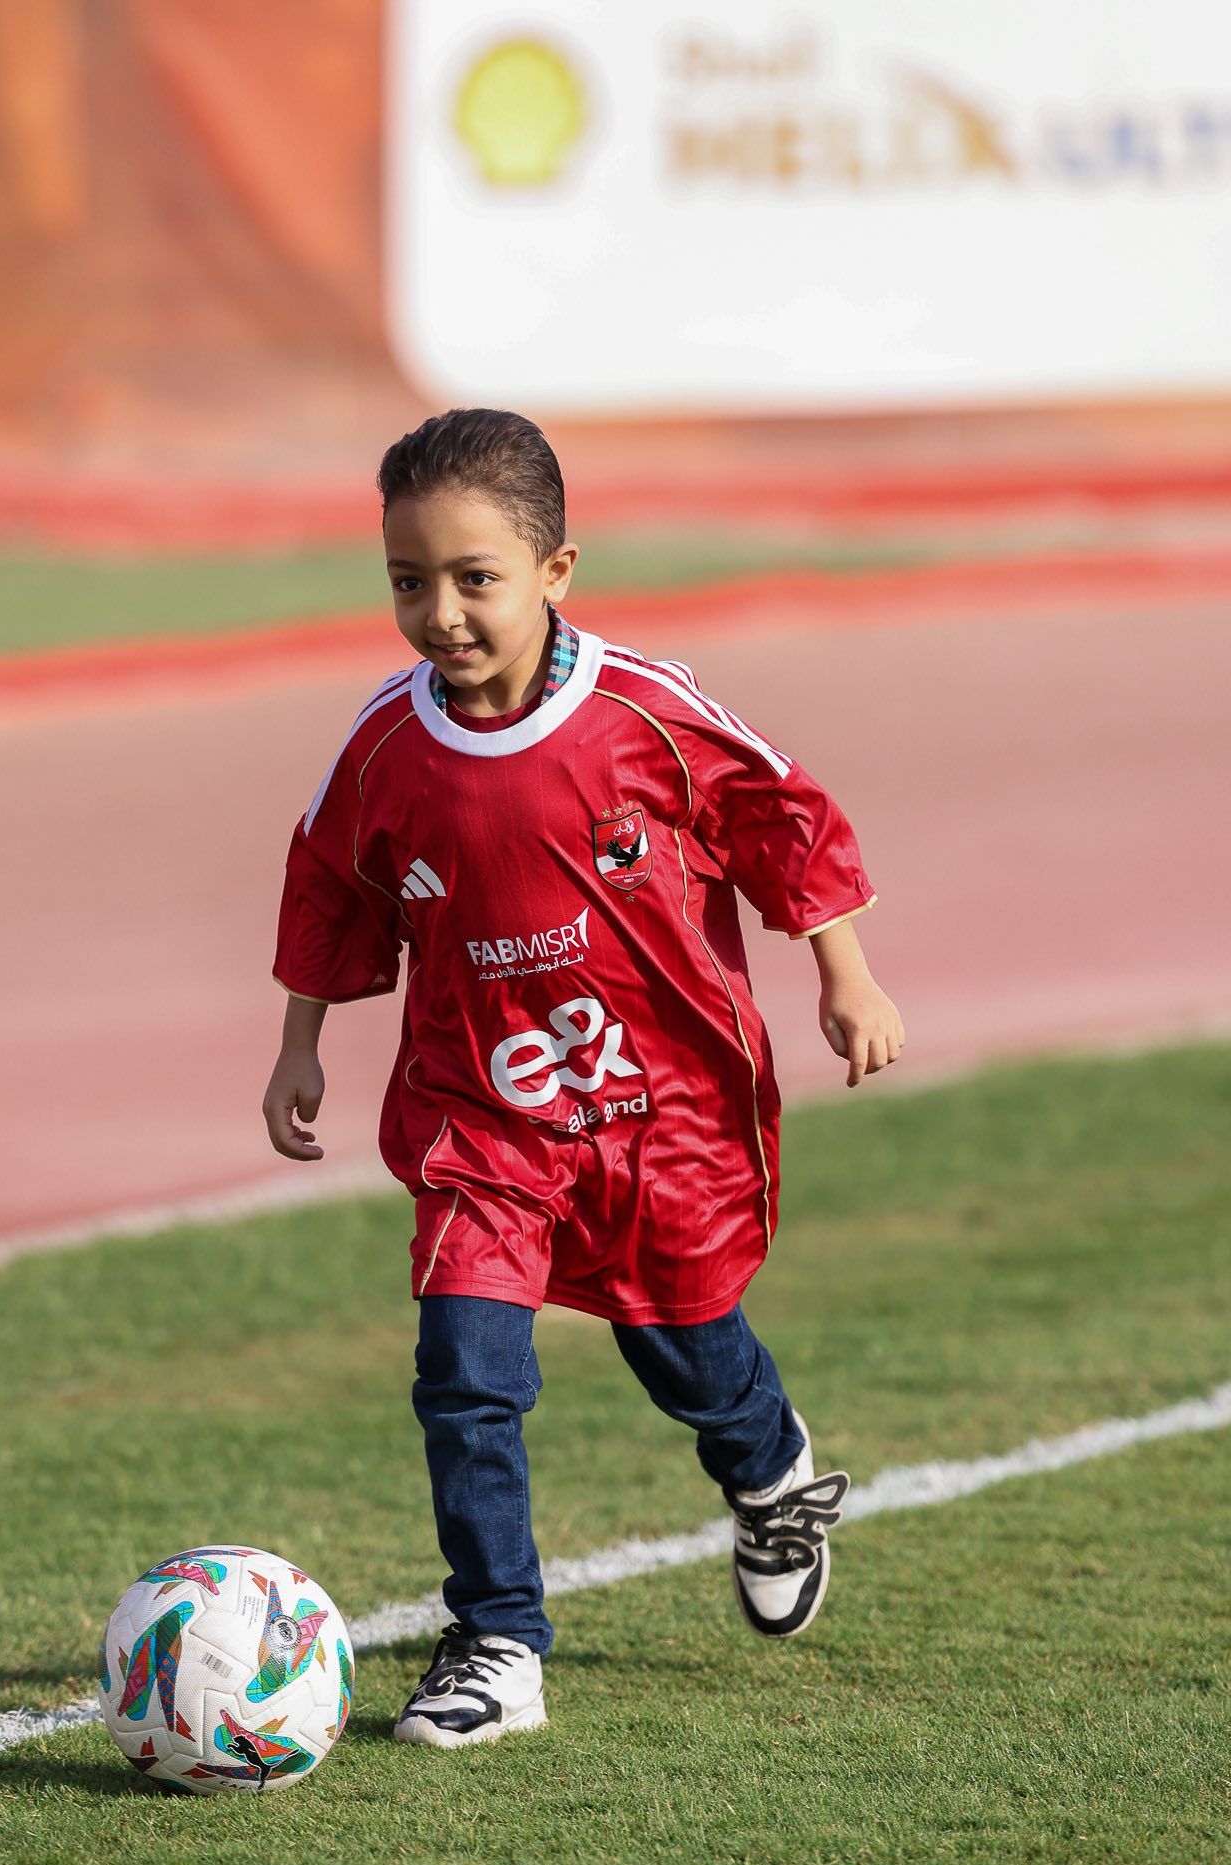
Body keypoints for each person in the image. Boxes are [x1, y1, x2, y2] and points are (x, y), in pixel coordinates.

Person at [264, 408, 905, 1747]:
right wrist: (301, 1045)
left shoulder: (644, 717)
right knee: (464, 1371)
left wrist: (844, 973)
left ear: (557, 572)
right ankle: (497, 1638)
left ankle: (768, 1465)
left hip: (653, 1114)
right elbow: (333, 878)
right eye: (407, 580)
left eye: (473, 578)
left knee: (684, 1348)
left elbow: (779, 813)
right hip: (481, 1118)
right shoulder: (386, 746)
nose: (440, 612)